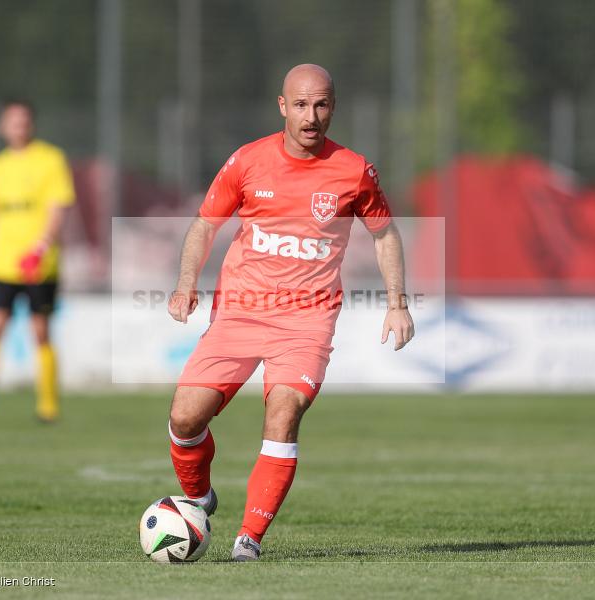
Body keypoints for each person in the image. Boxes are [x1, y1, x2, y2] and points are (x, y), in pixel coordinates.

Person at [166, 64, 415, 561]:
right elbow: (203, 225)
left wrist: (398, 304)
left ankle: (248, 540)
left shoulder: (353, 170)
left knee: (284, 410)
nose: (311, 115)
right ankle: (197, 498)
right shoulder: (247, 162)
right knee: (185, 418)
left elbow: (384, 233)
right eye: (300, 104)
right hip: (239, 312)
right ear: (283, 106)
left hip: (307, 319)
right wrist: (186, 282)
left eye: (321, 104)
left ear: (333, 108)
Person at [0, 99, 75, 427]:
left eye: (24, 121)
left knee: (40, 331)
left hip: (39, 262)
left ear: (31, 125)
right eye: (12, 121)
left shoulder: (51, 159)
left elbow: (58, 207)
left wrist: (41, 246)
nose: (18, 127)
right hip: (1, 263)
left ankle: (48, 408)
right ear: (2, 126)